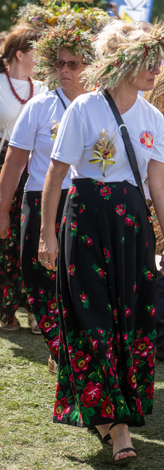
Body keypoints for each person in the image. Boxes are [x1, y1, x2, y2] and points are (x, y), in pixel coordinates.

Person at [38, 21, 164, 465]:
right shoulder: (84, 108)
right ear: (122, 62)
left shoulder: (153, 116)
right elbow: (57, 175)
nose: (156, 68)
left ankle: (114, 409)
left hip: (131, 224)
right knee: (92, 315)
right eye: (147, 60)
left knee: (130, 317)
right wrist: (47, 234)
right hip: (85, 220)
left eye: (158, 61)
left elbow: (157, 181)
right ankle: (115, 423)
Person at [0, 23, 96, 370]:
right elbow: (14, 162)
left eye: (74, 64)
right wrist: (2, 211)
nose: (64, 70)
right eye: (59, 63)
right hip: (40, 198)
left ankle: (72, 350)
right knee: (38, 277)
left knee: (81, 280)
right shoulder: (40, 106)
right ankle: (60, 347)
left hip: (85, 201)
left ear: (92, 66)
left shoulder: (101, 106)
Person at [0, 25, 45, 332]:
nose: (41, 57)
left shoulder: (41, 88)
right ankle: (5, 307)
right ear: (19, 54)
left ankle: (32, 306)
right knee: (4, 239)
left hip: (32, 170)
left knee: (27, 236)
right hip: (2, 165)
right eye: (36, 52)